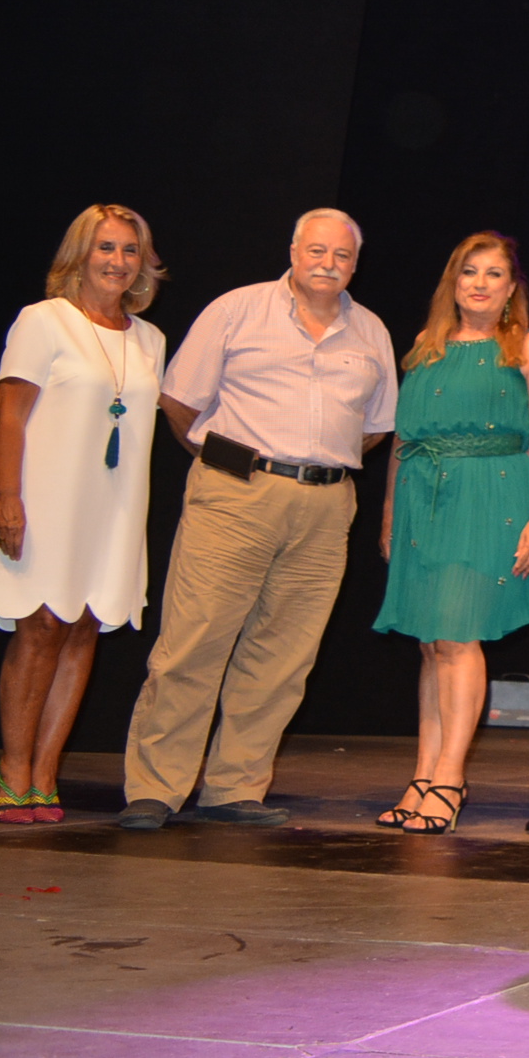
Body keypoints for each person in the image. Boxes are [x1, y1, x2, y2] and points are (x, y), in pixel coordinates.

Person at [118, 209, 397, 831]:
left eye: (342, 255)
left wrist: (313, 464)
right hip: (236, 494)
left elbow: (376, 428)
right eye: (317, 250)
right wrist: (231, 463)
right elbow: (179, 402)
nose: (327, 263)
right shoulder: (236, 310)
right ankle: (156, 788)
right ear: (294, 251)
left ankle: (234, 787)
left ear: (355, 264)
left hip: (326, 505)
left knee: (283, 656)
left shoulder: (370, 330)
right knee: (194, 641)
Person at [371, 232, 529, 835]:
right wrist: (389, 513)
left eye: (493, 273)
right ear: (452, 282)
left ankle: (450, 778)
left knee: (458, 637)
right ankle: (423, 774)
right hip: (422, 502)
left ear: (511, 288)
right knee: (432, 643)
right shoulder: (424, 347)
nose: (480, 283)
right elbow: (403, 440)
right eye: (469, 272)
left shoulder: (528, 348)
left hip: (490, 498)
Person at [0, 205, 169, 824]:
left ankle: (46, 775)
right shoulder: (43, 321)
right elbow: (9, 415)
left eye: (130, 250)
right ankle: (13, 771)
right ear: (80, 254)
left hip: (115, 505)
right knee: (42, 625)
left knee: (84, 626)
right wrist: (7, 496)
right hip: (47, 497)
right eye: (105, 247)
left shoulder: (150, 339)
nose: (118, 261)